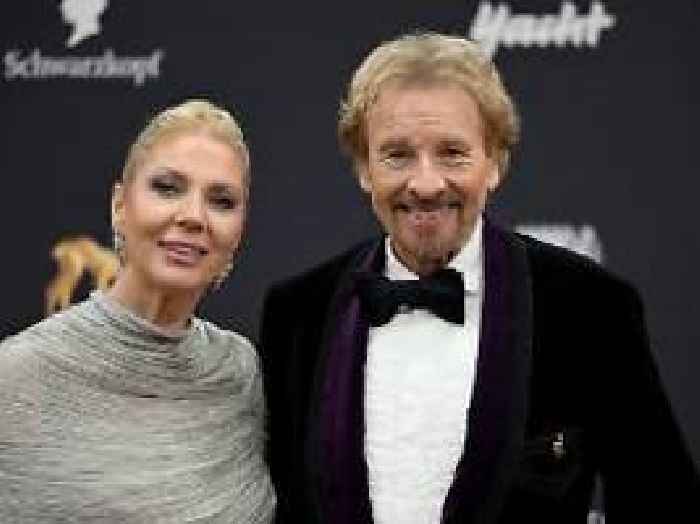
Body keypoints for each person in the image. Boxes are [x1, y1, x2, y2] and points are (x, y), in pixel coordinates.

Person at [259, 33, 699, 523]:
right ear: (364, 168)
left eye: (452, 153)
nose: (426, 184)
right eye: (397, 155)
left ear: (495, 163)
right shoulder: (298, 314)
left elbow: (663, 503)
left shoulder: (590, 308)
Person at [0, 100, 275, 522]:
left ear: (239, 231)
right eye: (167, 188)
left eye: (221, 201)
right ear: (119, 205)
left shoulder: (241, 372)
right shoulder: (16, 377)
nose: (193, 216)